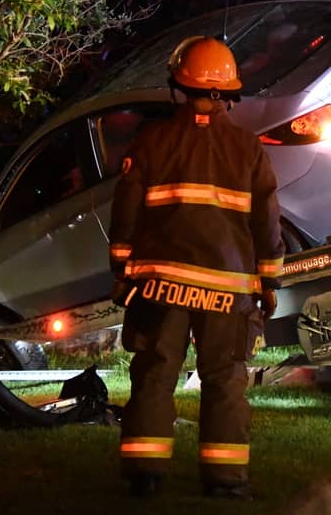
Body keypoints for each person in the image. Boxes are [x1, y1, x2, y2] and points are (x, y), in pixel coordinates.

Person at [108, 35, 283, 500]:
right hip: (227, 289)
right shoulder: (247, 148)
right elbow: (267, 220)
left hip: (160, 286)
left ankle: (145, 473)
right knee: (224, 379)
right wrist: (270, 280)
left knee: (155, 372)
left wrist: (121, 268)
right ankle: (225, 480)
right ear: (229, 90)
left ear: (178, 85)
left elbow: (125, 211)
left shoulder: (151, 140)